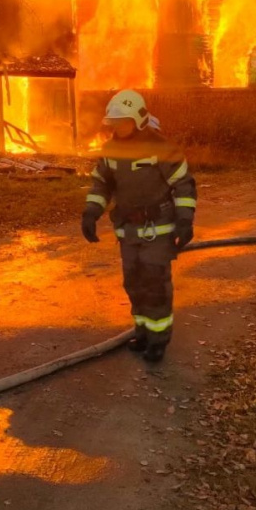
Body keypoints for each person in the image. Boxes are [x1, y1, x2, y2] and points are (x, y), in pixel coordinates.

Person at [81, 89, 197, 363]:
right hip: (128, 230)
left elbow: (183, 184)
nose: (118, 128)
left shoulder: (161, 148)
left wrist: (184, 220)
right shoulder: (111, 150)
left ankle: (159, 340)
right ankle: (143, 331)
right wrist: (91, 212)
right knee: (133, 282)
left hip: (158, 229)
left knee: (155, 284)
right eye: (114, 123)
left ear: (139, 120)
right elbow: (101, 184)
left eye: (124, 122)